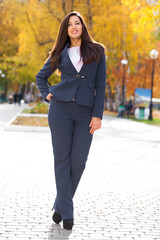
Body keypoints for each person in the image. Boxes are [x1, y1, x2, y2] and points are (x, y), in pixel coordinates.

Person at [36, 11, 106, 230]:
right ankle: (68, 213)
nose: (74, 27)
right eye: (70, 25)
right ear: (65, 30)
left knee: (79, 161)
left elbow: (101, 85)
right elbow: (41, 77)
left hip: (86, 112)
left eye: (77, 23)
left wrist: (98, 114)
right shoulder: (59, 52)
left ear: (82, 27)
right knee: (62, 159)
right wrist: (46, 94)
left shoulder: (97, 50)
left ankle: (60, 204)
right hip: (60, 110)